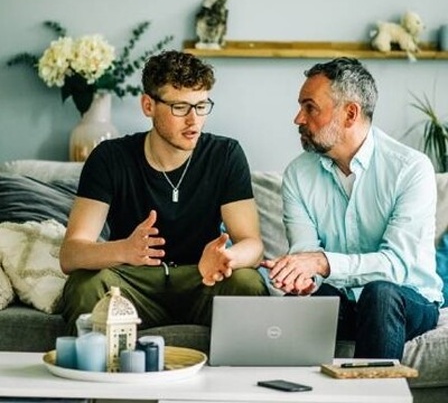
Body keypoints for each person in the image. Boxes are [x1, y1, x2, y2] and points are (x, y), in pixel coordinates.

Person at [60, 50, 268, 334]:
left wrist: (227, 258)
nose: (194, 120)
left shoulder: (225, 154)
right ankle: (102, 371)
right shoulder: (110, 157)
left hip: (201, 277)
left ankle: (235, 376)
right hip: (133, 283)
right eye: (180, 107)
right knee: (84, 285)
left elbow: (252, 245)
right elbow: (71, 254)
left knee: (247, 282)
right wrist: (125, 249)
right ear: (148, 105)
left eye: (202, 105)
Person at [262, 57, 443, 360]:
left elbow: (396, 265)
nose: (298, 118)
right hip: (344, 303)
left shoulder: (410, 169)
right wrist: (301, 278)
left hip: (407, 300)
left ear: (350, 113)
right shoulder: (297, 174)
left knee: (379, 293)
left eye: (310, 107)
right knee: (298, 302)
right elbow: (305, 253)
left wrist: (321, 263)